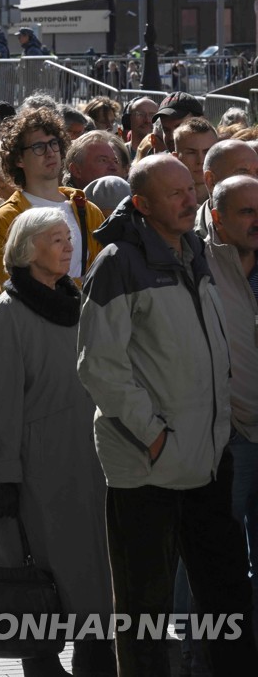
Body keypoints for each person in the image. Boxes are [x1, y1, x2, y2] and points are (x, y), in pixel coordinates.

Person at [78, 154, 257, 673]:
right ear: (142, 204)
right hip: (147, 467)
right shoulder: (116, 262)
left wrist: (214, 433)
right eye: (175, 192)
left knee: (227, 599)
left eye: (190, 189)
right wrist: (155, 438)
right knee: (144, 613)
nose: (190, 199)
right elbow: (99, 368)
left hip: (206, 458)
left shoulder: (194, 249)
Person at [0, 208, 115, 676]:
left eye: (69, 238)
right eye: (56, 239)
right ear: (26, 249)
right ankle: (42, 665)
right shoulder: (9, 313)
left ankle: (94, 662)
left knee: (94, 577)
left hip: (89, 464)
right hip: (38, 474)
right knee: (38, 580)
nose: (68, 246)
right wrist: (3, 481)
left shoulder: (78, 300)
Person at [199, 175, 258, 647]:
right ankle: (193, 649)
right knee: (209, 552)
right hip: (225, 432)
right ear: (217, 217)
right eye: (246, 212)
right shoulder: (195, 264)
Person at [0, 108, 105, 293]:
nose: (50, 152)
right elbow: (10, 287)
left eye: (54, 143)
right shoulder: (8, 217)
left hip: (86, 320)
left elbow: (103, 280)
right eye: (39, 147)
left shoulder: (88, 210)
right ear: (19, 159)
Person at [195, 138, 258, 234]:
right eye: (243, 172)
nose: (254, 180)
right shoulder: (188, 238)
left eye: (257, 172)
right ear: (211, 180)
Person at [171, 117, 219, 204]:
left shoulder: (231, 199)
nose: (200, 160)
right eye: (191, 152)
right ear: (175, 157)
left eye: (207, 152)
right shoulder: (165, 201)